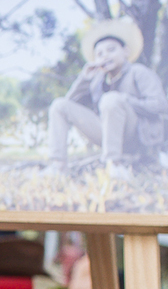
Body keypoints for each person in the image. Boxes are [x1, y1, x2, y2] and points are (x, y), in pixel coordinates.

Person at [48, 16, 166, 174]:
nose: (105, 56)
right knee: (59, 105)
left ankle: (113, 165)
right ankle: (58, 166)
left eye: (111, 50)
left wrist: (126, 100)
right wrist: (84, 78)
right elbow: (68, 105)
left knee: (111, 99)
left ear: (125, 51)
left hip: (138, 136)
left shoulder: (138, 72)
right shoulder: (97, 82)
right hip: (107, 134)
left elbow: (160, 105)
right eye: (99, 54)